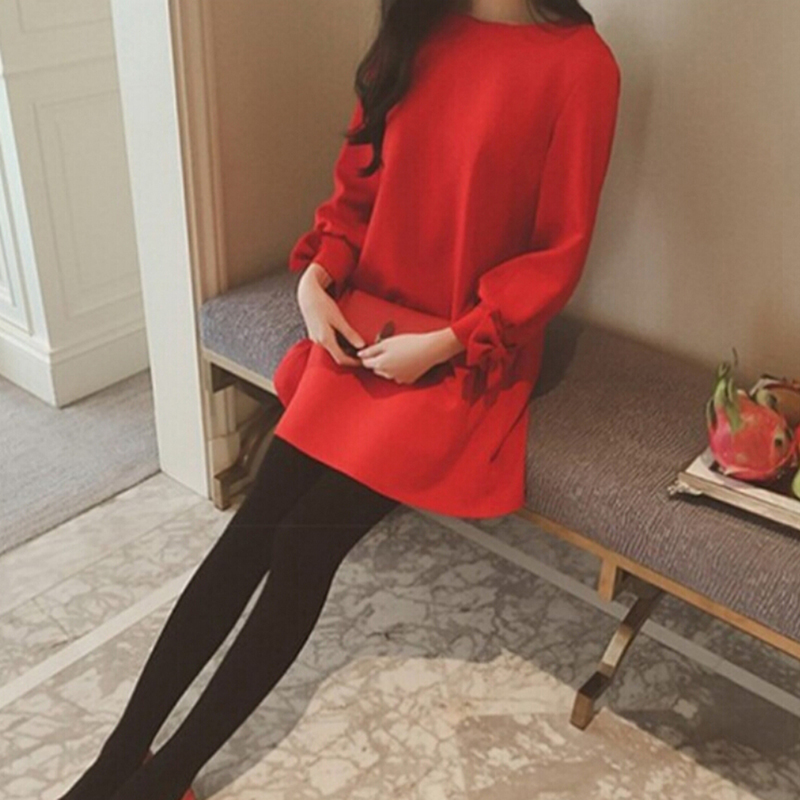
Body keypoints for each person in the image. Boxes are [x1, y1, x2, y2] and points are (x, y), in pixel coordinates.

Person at [57, 1, 621, 798]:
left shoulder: (582, 67)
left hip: (460, 356)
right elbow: (359, 191)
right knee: (255, 525)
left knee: (304, 544)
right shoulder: (420, 28)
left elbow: (557, 251)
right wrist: (316, 279)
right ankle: (118, 759)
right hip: (364, 327)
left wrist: (449, 340)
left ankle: (170, 777)